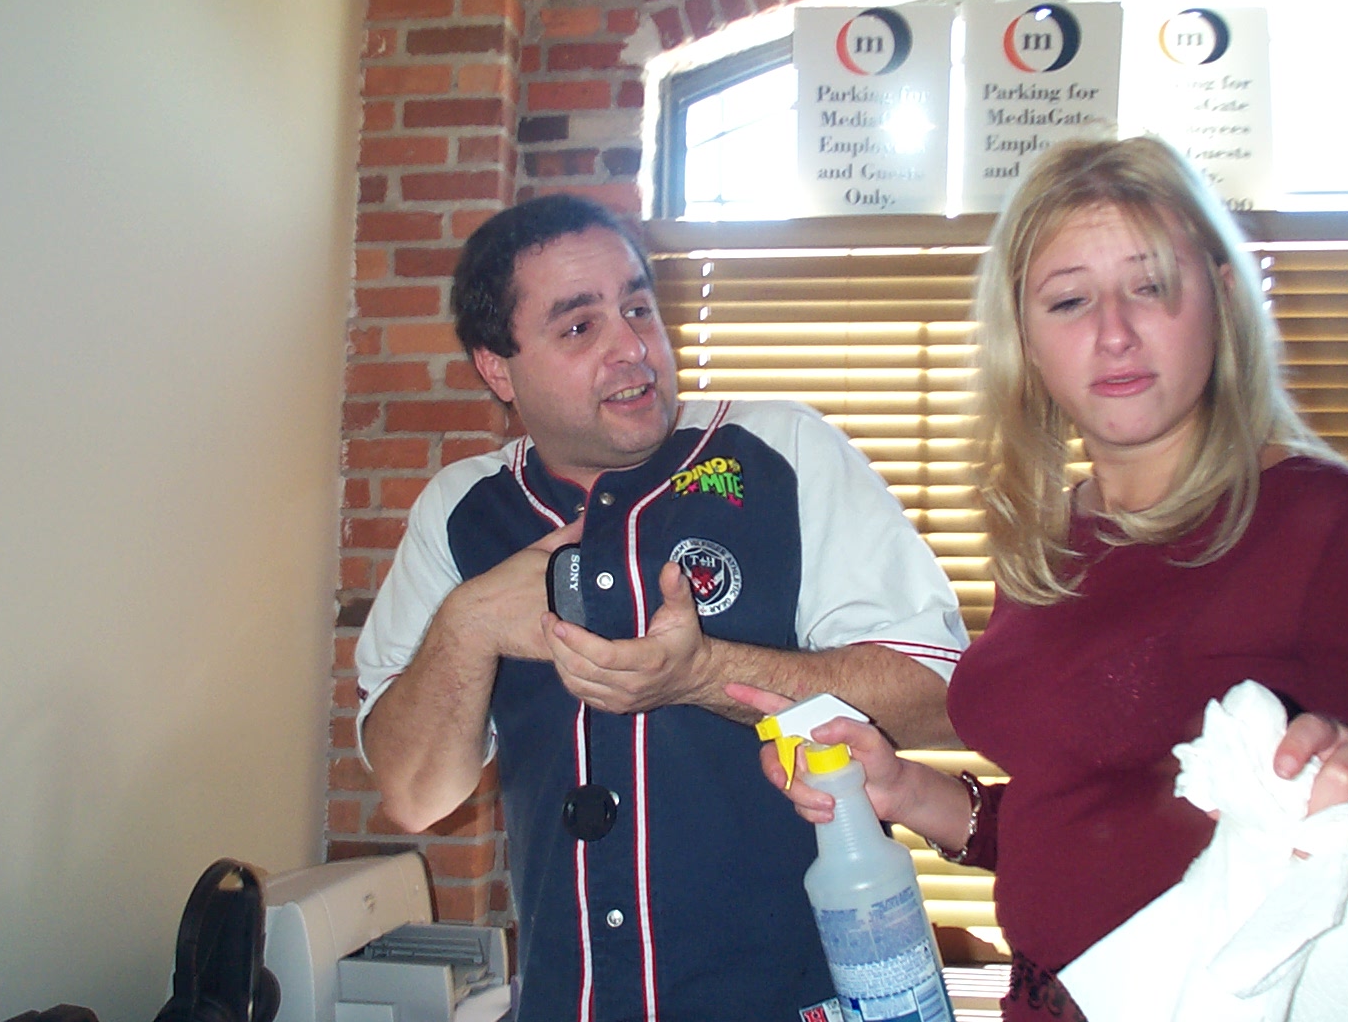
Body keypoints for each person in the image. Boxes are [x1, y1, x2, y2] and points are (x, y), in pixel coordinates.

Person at [740, 136, 1348, 1020]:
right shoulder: (1049, 541)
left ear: (1222, 300)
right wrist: (904, 790)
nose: (1114, 331)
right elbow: (1088, 822)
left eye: (1151, 286)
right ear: (1026, 339)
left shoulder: (1319, 522)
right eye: (1069, 300)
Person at [353, 193, 969, 1022]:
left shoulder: (781, 452)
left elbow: (939, 697)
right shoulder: (461, 513)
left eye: (638, 308)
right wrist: (467, 626)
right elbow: (413, 793)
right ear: (497, 368)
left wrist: (705, 674)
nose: (633, 348)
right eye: (581, 327)